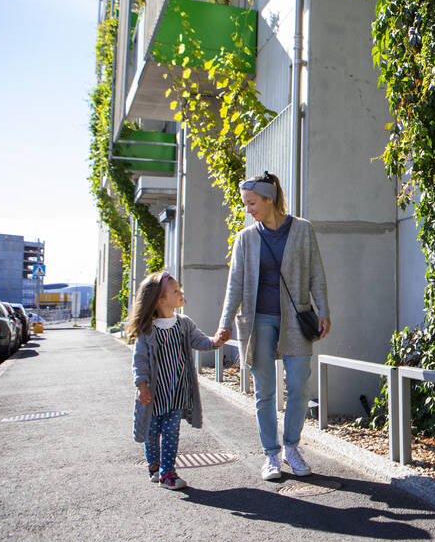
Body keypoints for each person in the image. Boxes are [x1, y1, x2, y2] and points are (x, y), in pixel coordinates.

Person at [216, 171, 330, 481]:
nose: (248, 209)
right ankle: (271, 455)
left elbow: (316, 274)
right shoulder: (246, 238)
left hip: (296, 318)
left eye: (252, 203)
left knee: (299, 386)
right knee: (264, 392)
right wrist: (225, 323)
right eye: (245, 204)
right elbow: (235, 284)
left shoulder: (303, 230)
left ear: (270, 199)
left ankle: (292, 446)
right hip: (258, 320)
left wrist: (324, 310)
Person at [131, 271, 227, 490]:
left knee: (172, 433)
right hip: (154, 395)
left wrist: (215, 341)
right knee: (152, 432)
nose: (181, 293)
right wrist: (141, 385)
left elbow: (199, 340)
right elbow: (140, 360)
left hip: (177, 392)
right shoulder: (147, 330)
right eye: (175, 291)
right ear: (160, 300)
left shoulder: (183, 323)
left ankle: (167, 473)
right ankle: (154, 467)